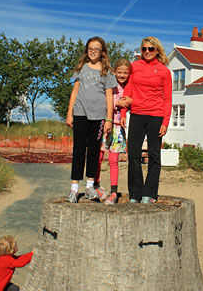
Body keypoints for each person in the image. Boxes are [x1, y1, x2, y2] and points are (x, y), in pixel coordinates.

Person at [120, 36, 172, 204]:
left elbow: (168, 99)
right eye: (144, 49)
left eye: (150, 49)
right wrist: (122, 114)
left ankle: (149, 194)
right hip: (136, 114)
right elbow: (128, 91)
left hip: (156, 116)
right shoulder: (134, 67)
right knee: (133, 154)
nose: (147, 52)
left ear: (157, 50)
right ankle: (135, 194)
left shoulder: (164, 71)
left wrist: (165, 122)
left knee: (154, 155)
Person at [65, 37, 117, 203]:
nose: (93, 51)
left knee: (94, 151)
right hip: (80, 114)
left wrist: (109, 119)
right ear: (87, 50)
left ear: (103, 52)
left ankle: (89, 187)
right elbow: (75, 92)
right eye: (90, 48)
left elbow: (110, 96)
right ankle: (74, 189)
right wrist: (69, 113)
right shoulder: (81, 68)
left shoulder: (107, 70)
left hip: (99, 117)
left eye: (97, 49)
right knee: (79, 151)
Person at [95, 58, 132, 205]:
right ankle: (96, 186)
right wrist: (118, 102)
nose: (122, 75)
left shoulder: (129, 87)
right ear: (115, 72)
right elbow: (103, 101)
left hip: (118, 126)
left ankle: (114, 191)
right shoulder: (110, 84)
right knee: (98, 155)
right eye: (119, 72)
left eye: (125, 73)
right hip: (105, 123)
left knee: (113, 160)